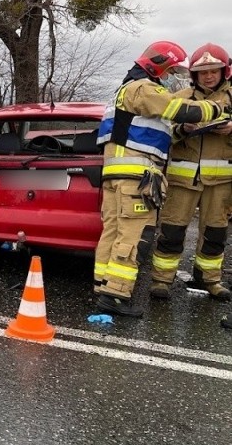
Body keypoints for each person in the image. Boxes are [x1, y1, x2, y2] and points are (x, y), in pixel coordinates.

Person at [93, 40, 229, 317]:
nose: (171, 77)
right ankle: (115, 295)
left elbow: (156, 132)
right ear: (159, 66)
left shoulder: (123, 90)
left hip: (118, 173)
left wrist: (182, 129)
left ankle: (103, 287)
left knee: (113, 232)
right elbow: (181, 112)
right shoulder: (144, 88)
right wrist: (215, 111)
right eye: (171, 70)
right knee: (135, 236)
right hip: (137, 176)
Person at [150, 44, 232, 301]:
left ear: (223, 71)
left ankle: (210, 280)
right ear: (194, 75)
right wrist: (182, 129)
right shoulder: (180, 98)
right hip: (182, 181)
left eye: (214, 71)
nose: (209, 76)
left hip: (221, 183)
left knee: (215, 232)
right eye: (203, 72)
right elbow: (163, 135)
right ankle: (161, 280)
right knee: (172, 230)